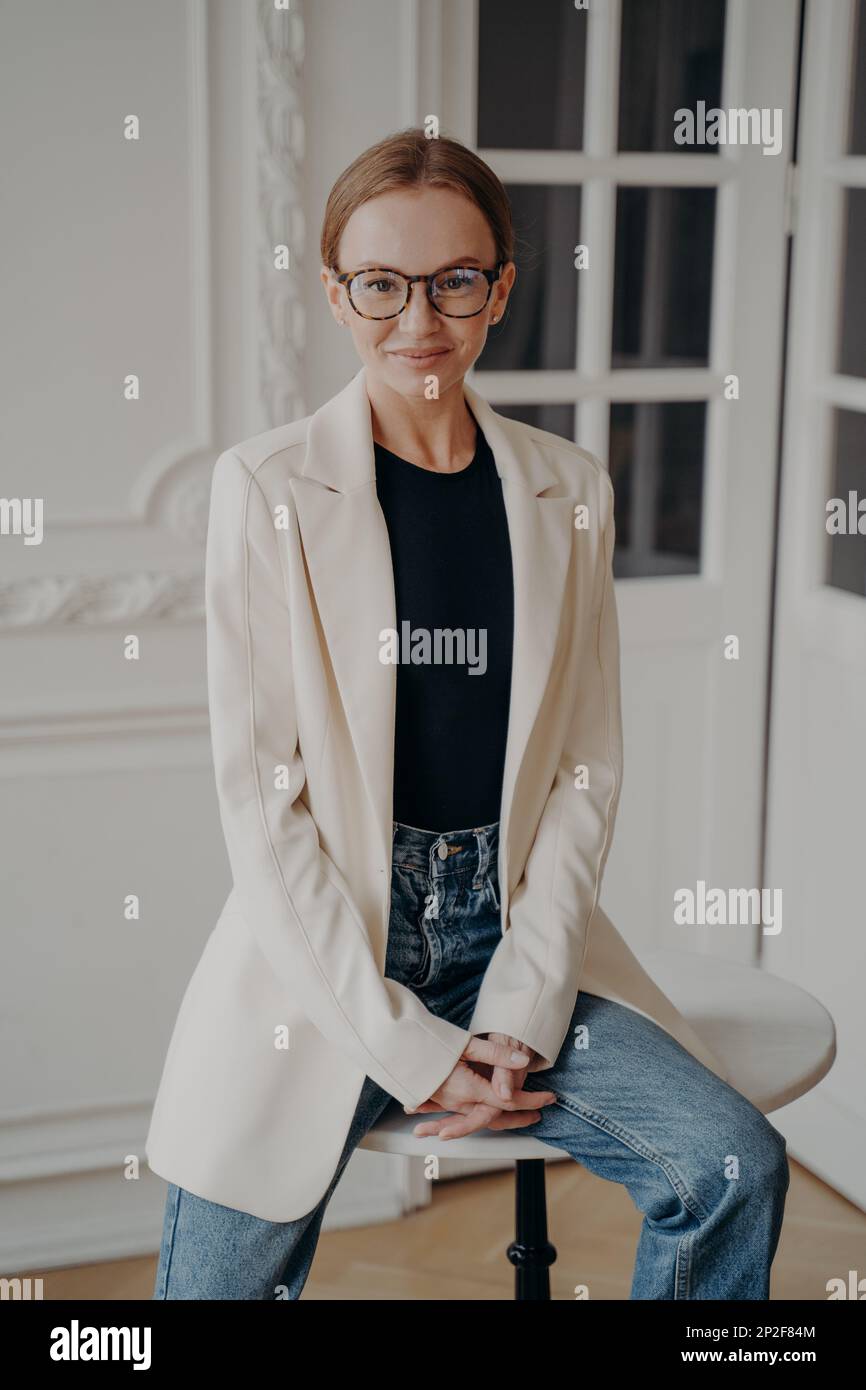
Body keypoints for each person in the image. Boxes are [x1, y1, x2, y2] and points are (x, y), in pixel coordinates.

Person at [148, 127, 789, 1300]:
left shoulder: (567, 488)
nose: (417, 320)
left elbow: (583, 775)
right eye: (381, 284)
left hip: (513, 935)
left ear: (497, 287)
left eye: (453, 280)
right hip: (325, 958)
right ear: (336, 293)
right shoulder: (264, 488)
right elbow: (262, 803)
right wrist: (417, 1051)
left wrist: (515, 1017)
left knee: (730, 1164)